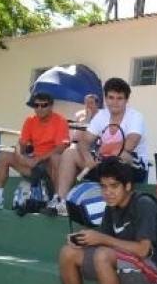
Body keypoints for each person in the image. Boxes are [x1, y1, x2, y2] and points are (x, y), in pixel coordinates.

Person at [45, 157, 157, 284]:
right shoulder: (111, 207)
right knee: (68, 252)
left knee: (102, 255)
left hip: (151, 271)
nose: (107, 192)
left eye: (114, 186)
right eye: (103, 187)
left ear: (128, 186)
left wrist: (101, 239)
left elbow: (143, 250)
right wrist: (83, 240)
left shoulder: (144, 204)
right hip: (123, 263)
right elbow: (104, 241)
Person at [47, 77, 150, 216]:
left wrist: (105, 149)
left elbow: (129, 145)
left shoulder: (135, 116)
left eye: (119, 98)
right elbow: (83, 142)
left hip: (133, 167)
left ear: (126, 100)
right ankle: (60, 201)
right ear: (105, 99)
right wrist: (87, 157)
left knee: (120, 153)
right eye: (111, 97)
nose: (115, 102)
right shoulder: (102, 115)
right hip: (104, 164)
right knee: (70, 152)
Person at [0, 92, 69, 210]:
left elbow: (61, 147)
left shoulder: (60, 121)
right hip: (33, 165)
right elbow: (20, 144)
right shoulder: (30, 120)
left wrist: (39, 159)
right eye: (36, 105)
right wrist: (21, 157)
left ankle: (57, 200)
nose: (39, 108)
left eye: (44, 105)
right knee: (3, 156)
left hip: (50, 166)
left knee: (56, 158)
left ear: (51, 106)